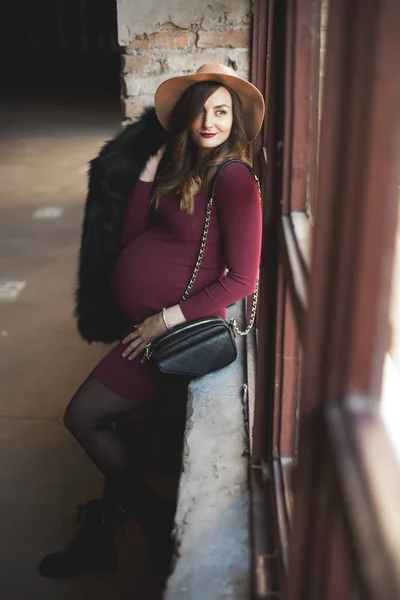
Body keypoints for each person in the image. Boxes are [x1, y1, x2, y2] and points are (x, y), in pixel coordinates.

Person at [38, 64, 265, 579]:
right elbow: (134, 235)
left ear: (235, 120)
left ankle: (148, 515)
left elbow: (243, 280)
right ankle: (104, 536)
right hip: (140, 326)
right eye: (201, 111)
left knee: (85, 417)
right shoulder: (188, 166)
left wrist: (163, 320)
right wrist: (151, 169)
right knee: (129, 437)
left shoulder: (233, 178)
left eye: (222, 112)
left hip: (161, 336)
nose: (210, 122)